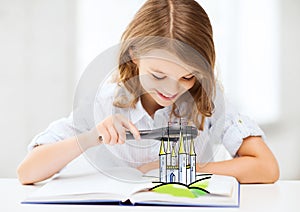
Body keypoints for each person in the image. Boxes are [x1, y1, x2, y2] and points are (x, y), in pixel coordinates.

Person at [17, 0, 279, 185]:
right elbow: (27, 172)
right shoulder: (106, 103)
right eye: (158, 75)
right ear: (134, 55)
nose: (171, 89)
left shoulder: (208, 105)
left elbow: (266, 167)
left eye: (187, 77)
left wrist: (181, 171)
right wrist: (91, 137)